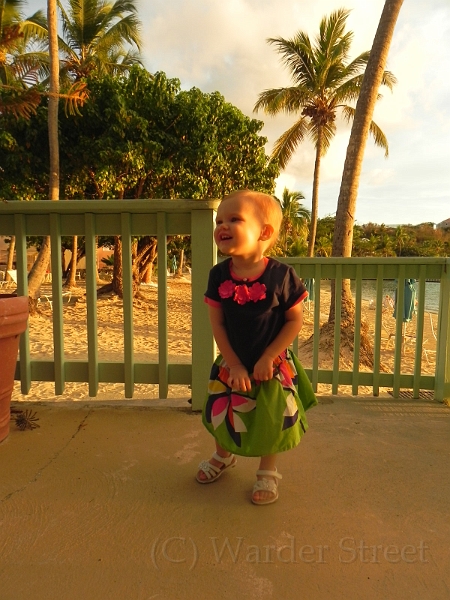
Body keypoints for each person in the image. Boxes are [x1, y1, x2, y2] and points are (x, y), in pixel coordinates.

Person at [195, 189, 317, 505]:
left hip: (271, 364)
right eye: (219, 220)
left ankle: (267, 471)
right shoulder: (218, 275)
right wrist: (234, 363)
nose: (222, 226)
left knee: (270, 419)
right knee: (223, 413)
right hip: (232, 361)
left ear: (264, 232)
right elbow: (218, 324)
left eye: (234, 219)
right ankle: (223, 456)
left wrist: (269, 356)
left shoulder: (282, 275)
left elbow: (294, 321)